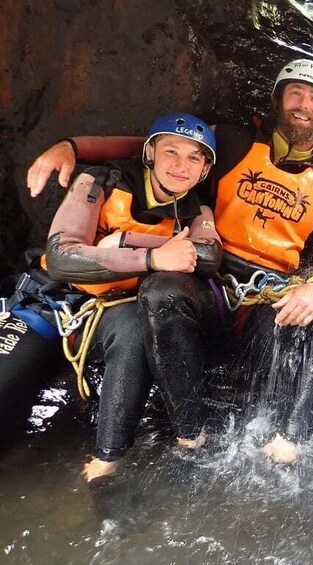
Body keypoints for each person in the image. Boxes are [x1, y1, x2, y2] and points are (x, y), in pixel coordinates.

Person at [28, 59, 313, 464]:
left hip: (273, 288)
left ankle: (289, 439)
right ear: (278, 99)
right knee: (162, 288)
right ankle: (191, 432)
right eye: (295, 92)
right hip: (213, 281)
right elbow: (153, 145)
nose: (303, 104)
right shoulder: (235, 142)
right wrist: (74, 147)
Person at [44, 112, 221, 481]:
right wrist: (151, 257)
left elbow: (207, 255)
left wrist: (126, 242)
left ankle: (109, 457)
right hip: (65, 301)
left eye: (194, 158)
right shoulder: (99, 181)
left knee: (132, 331)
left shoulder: (196, 207)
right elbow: (61, 256)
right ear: (150, 153)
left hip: (123, 308)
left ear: (204, 170)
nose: (180, 165)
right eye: (171, 151)